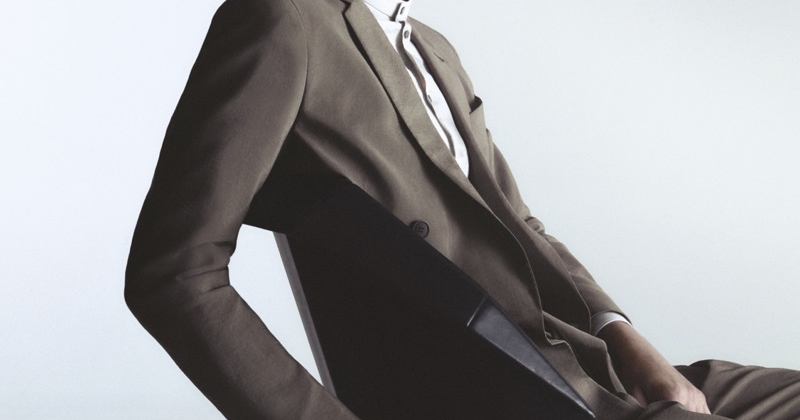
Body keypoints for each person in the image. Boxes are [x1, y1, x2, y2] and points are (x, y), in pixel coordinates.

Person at [124, 0, 800, 418]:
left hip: (593, 364)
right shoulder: (282, 20)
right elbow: (175, 273)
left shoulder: (433, 46)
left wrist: (628, 339)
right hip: (510, 393)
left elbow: (521, 225)